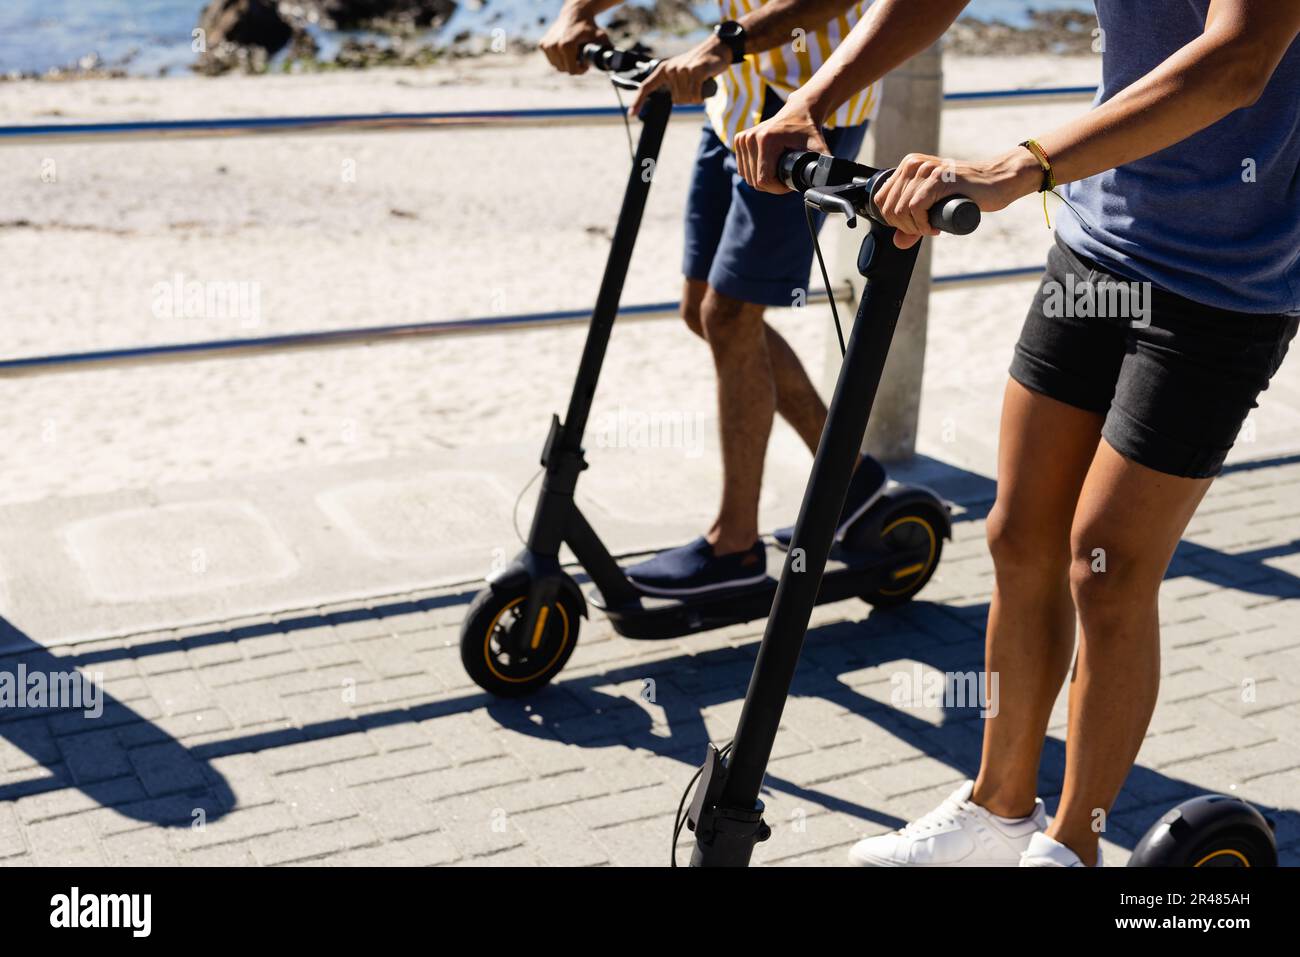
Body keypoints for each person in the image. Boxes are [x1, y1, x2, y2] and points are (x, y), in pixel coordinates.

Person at [735, 0, 1300, 866]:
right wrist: (816, 94)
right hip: (1099, 243)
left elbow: (1239, 60)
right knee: (1018, 534)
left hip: (1226, 283)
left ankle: (1073, 846)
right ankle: (999, 812)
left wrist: (1017, 167)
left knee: (1105, 562)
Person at [541, 0, 891, 597]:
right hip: (733, 101)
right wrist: (579, 10)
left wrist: (721, 44)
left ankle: (735, 546)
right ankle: (850, 477)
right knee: (702, 308)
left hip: (805, 110)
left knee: (728, 315)